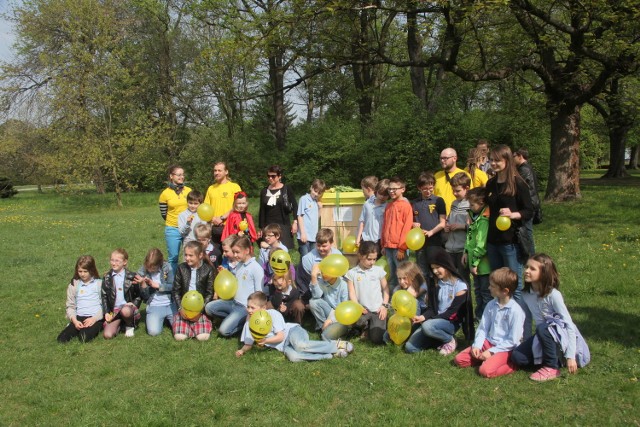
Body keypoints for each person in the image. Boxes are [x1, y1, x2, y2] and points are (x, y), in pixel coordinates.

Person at [511, 254, 590, 382]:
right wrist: (524, 342)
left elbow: (568, 324)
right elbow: (526, 320)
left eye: (532, 269)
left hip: (560, 334)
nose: (526, 271)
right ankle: (552, 358)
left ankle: (552, 367)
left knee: (543, 327)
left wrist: (571, 356)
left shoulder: (554, 295)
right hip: (542, 335)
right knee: (517, 357)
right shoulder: (525, 294)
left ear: (543, 273)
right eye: (526, 267)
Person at [235, 291, 355, 361]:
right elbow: (248, 343)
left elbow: (281, 336)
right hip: (283, 346)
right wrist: (242, 351)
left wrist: (265, 340)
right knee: (294, 357)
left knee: (300, 345)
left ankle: (337, 345)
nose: (249, 310)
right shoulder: (249, 323)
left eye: (252, 308)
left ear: (263, 308)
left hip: (292, 331)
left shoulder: (272, 314)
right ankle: (330, 355)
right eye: (248, 307)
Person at [454, 267, 525, 378]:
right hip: (488, 342)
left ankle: (512, 365)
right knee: (459, 360)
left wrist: (492, 352)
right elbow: (483, 328)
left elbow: (513, 340)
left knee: (485, 371)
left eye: (492, 286)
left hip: (505, 348)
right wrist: (477, 346)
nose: (488, 288)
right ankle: (485, 359)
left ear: (505, 291)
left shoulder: (516, 311)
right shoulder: (491, 305)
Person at [485, 144, 534, 302]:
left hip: (510, 241)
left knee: (514, 284)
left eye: (497, 160)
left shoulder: (517, 183)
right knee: (497, 282)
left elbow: (529, 210)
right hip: (493, 241)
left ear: (507, 161)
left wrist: (513, 214)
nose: (493, 163)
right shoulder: (491, 184)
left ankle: (520, 322)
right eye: (491, 160)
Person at [405, 248, 473, 355]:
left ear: (446, 265)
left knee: (427, 326)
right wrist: (422, 317)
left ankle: (449, 339)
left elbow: (453, 312)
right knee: (410, 347)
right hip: (434, 321)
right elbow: (432, 309)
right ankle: (438, 339)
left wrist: (429, 320)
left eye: (438, 267)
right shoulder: (435, 283)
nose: (435, 271)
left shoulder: (460, 285)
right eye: (433, 268)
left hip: (451, 322)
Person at [324, 242, 389, 344]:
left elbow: (386, 290)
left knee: (377, 339)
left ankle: (372, 327)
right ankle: (363, 328)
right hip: (362, 309)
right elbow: (352, 292)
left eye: (374, 259)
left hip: (377, 309)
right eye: (369, 259)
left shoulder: (378, 270)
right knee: (356, 322)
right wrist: (357, 306)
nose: (372, 262)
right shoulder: (352, 273)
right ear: (360, 256)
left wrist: (384, 306)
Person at [205, 236, 263, 337]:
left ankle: (245, 324)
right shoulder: (239, 264)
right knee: (209, 308)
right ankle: (234, 319)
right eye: (234, 252)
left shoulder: (256, 268)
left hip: (245, 307)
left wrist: (253, 310)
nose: (235, 255)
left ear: (247, 250)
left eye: (237, 252)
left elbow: (260, 293)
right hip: (232, 302)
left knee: (223, 331)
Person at [171, 241, 216, 341]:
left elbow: (209, 293)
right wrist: (180, 309)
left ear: (200, 255)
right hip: (184, 309)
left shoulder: (208, 270)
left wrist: (200, 311)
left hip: (200, 310)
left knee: (203, 337)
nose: (187, 258)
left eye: (191, 255)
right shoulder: (181, 268)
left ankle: (195, 326)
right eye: (186, 255)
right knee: (179, 337)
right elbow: (176, 291)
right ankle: (188, 327)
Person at [57, 256, 104, 343]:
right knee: (61, 339)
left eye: (85, 271)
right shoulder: (74, 285)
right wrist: (74, 321)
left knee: (83, 337)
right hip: (78, 317)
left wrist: (94, 318)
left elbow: (105, 305)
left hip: (94, 317)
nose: (82, 274)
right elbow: (70, 306)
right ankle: (72, 326)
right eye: (80, 271)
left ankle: (99, 326)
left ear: (92, 270)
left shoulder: (99, 284)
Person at [462, 187, 492, 320]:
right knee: (478, 291)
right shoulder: (473, 216)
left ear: (481, 203)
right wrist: (465, 252)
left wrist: (474, 262)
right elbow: (469, 237)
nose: (470, 206)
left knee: (486, 292)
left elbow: (481, 244)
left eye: (472, 204)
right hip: (474, 263)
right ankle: (479, 316)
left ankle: (486, 317)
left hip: (483, 266)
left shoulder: (484, 219)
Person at [412, 172, 446, 282]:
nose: (428, 191)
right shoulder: (414, 203)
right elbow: (410, 222)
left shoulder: (439, 201)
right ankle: (426, 296)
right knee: (422, 271)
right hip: (420, 244)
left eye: (430, 188)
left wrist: (431, 232)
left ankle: (437, 295)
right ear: (419, 188)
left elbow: (443, 223)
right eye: (425, 189)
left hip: (435, 242)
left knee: (437, 271)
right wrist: (413, 225)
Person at [380, 176, 413, 290]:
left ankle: (405, 299)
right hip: (388, 247)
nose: (391, 191)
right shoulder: (389, 205)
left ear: (402, 189)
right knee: (392, 276)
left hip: (399, 249)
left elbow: (407, 228)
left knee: (402, 275)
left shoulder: (406, 205)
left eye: (394, 189)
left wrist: (402, 248)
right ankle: (392, 301)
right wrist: (383, 244)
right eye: (389, 189)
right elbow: (385, 226)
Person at [134, 248, 176, 336]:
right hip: (154, 305)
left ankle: (167, 320)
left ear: (160, 263)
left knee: (179, 330)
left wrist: (157, 285)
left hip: (170, 303)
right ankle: (161, 319)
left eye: (153, 268)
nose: (150, 270)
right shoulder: (142, 272)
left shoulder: (167, 267)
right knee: (153, 332)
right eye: (148, 267)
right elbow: (145, 297)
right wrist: (143, 284)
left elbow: (173, 286)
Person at [159, 165, 192, 273]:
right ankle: (172, 283)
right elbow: (164, 213)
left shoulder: (189, 191)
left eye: (183, 174)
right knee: (173, 258)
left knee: (190, 257)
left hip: (188, 228)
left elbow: (195, 208)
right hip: (172, 229)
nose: (181, 177)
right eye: (179, 175)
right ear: (171, 176)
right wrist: (175, 222)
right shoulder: (165, 194)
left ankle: (187, 280)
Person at [101, 248, 141, 339]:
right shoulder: (107, 277)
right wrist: (106, 312)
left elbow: (139, 295)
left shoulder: (132, 276)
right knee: (107, 335)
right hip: (115, 311)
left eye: (117, 261)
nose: (114, 263)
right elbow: (104, 296)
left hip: (128, 309)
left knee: (125, 311)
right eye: (112, 260)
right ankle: (120, 325)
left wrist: (133, 304)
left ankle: (129, 325)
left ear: (124, 262)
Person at [296, 228, 342, 304]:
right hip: (315, 291)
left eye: (324, 246)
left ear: (331, 243)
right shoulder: (308, 259)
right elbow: (302, 281)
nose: (321, 249)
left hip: (334, 290)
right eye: (318, 245)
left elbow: (342, 278)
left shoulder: (338, 256)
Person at [258, 165, 298, 251]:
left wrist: (295, 222)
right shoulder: (264, 191)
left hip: (283, 225)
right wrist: (261, 228)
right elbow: (262, 210)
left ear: (279, 176)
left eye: (273, 176)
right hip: (269, 227)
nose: (270, 178)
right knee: (268, 251)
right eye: (268, 176)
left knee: (283, 251)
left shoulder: (286, 189)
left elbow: (295, 205)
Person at [203, 162, 242, 246]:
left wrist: (222, 218)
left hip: (230, 227)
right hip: (214, 228)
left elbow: (239, 206)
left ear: (226, 172)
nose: (216, 173)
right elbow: (206, 207)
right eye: (215, 170)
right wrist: (213, 218)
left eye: (219, 170)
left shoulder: (235, 187)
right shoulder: (211, 188)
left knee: (231, 256)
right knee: (214, 256)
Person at [514, 147, 541, 255]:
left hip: (529, 204)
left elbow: (518, 186)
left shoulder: (524, 169)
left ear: (520, 156)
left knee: (526, 233)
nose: (512, 159)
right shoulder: (525, 167)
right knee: (527, 232)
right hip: (531, 203)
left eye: (513, 156)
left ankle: (531, 257)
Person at [444, 172, 471, 284]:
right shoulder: (454, 203)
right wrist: (447, 226)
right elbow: (449, 219)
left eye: (458, 191)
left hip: (462, 249)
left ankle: (466, 301)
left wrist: (462, 226)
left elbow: (476, 226)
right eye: (453, 190)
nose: (454, 193)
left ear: (467, 189)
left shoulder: (471, 204)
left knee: (463, 280)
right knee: (451, 279)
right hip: (450, 248)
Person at [308, 262, 349, 332]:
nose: (323, 275)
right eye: (322, 272)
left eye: (326, 272)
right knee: (313, 302)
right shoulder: (322, 281)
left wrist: (332, 319)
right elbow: (316, 296)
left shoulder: (343, 285)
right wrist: (314, 277)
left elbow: (345, 309)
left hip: (341, 314)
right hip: (329, 310)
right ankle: (323, 328)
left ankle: (328, 327)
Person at [356, 178, 389, 255]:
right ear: (376, 191)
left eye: (386, 195)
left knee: (375, 261)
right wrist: (358, 238)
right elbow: (362, 221)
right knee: (363, 260)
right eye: (381, 193)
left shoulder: (387, 207)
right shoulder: (367, 204)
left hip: (379, 240)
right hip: (366, 239)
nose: (382, 197)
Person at [434, 148, 472, 214]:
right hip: (439, 217)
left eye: (445, 158)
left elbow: (471, 197)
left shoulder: (464, 175)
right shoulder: (437, 176)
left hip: (459, 217)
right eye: (441, 158)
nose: (442, 161)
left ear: (454, 158)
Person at [296, 178, 326, 257]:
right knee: (305, 257)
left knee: (313, 257)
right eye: (315, 191)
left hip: (313, 236)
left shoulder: (316, 202)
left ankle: (309, 269)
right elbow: (300, 216)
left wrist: (320, 209)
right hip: (304, 235)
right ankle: (302, 269)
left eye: (319, 193)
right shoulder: (304, 199)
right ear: (311, 188)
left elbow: (317, 218)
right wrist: (303, 233)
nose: (316, 194)